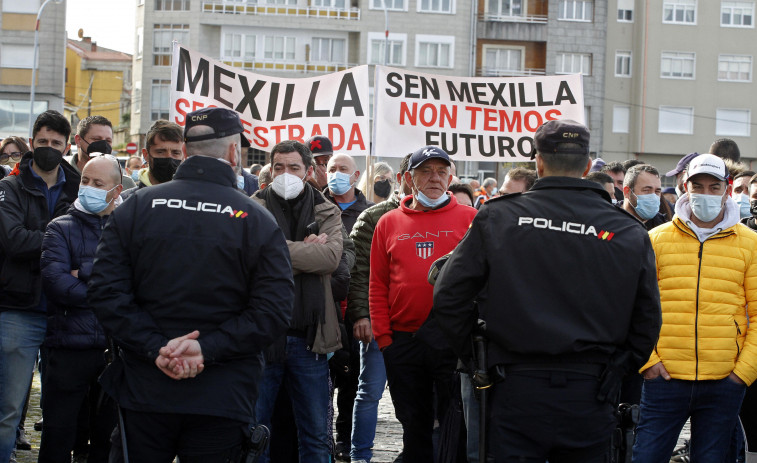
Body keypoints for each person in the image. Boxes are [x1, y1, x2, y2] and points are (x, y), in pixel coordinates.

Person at [432, 119, 661, 462]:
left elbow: (449, 296)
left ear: (538, 163)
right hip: (592, 389)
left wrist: (479, 356)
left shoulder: (500, 217)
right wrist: (620, 368)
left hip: (514, 386)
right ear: (587, 166)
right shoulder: (626, 231)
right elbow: (648, 319)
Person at [87, 107, 294, 461]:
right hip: (221, 396)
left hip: (145, 390)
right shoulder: (256, 218)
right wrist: (204, 349)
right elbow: (273, 311)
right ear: (234, 153)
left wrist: (157, 347)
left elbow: (105, 292)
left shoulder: (137, 207)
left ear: (184, 149)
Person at [632, 153, 757, 462]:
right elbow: (633, 308)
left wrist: (743, 372)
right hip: (665, 380)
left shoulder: (750, 244)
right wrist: (649, 364)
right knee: (646, 456)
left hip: (724, 381)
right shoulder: (655, 240)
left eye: (714, 187)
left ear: (727, 189)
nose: (705, 194)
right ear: (684, 187)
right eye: (697, 186)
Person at [369, 146, 477, 461]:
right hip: (403, 341)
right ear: (408, 178)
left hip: (452, 342)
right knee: (413, 422)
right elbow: (377, 284)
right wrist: (385, 338)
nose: (434, 178)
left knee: (454, 424)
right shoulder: (388, 223)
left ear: (451, 176)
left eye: (441, 171)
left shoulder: (471, 219)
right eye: (426, 171)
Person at [252, 140, 343, 463]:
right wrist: (305, 250)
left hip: (310, 339)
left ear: (308, 172)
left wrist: (274, 248)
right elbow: (249, 256)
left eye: (293, 168)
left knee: (316, 437)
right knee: (255, 435)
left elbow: (331, 258)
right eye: (279, 167)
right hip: (262, 338)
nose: (285, 174)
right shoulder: (253, 206)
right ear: (270, 170)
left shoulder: (326, 209)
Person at [0, 110, 80, 462]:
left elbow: (94, 243)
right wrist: (63, 242)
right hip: (19, 308)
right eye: (43, 142)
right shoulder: (9, 187)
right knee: (8, 409)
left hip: (66, 312)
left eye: (56, 143)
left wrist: (45, 242)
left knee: (60, 415)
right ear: (32, 142)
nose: (49, 148)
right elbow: (14, 241)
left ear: (67, 146)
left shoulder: (80, 186)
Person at [38, 155, 124, 463]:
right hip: (67, 347)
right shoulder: (59, 228)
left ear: (117, 191)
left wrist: (84, 271)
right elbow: (57, 284)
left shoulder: (128, 229)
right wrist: (109, 287)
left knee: (107, 437)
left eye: (98, 184)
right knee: (57, 434)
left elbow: (138, 281)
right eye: (85, 181)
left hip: (114, 351)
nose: (88, 188)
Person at [347, 153, 412, 463]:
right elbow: (359, 271)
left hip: (419, 326)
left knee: (416, 395)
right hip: (379, 321)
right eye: (416, 174)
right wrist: (362, 314)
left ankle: (415, 450)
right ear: (401, 179)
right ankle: (360, 455)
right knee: (370, 391)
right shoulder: (373, 217)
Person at [323, 153, 373, 459]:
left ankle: (345, 440)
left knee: (353, 384)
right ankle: (323, 439)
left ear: (356, 176)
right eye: (331, 169)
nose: (335, 174)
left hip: (353, 312)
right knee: (322, 384)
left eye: (342, 170)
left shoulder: (367, 214)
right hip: (323, 311)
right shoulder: (315, 207)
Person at [120, 120, 184, 201]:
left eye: (176, 153)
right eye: (160, 152)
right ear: (146, 155)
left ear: (184, 155)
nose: (169, 157)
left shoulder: (194, 201)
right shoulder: (125, 201)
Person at [72, 115, 135, 189]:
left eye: (108, 141)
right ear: (78, 140)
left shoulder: (125, 184)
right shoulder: (62, 176)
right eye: (96, 139)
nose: (104, 145)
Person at [620, 164, 666, 230]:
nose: (653, 196)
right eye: (647, 190)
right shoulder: (609, 222)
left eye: (657, 191)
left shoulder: (663, 227)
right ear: (627, 192)